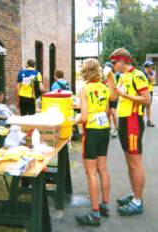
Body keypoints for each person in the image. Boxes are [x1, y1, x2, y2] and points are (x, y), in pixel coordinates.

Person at [108, 48, 150, 216]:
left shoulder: (137, 75)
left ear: (123, 60)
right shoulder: (122, 76)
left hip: (133, 120)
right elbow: (113, 98)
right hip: (124, 121)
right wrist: (111, 84)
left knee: (135, 162)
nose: (112, 65)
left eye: (114, 62)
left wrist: (124, 95)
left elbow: (146, 99)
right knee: (129, 160)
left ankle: (138, 201)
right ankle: (135, 194)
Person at [75, 59, 112, 226]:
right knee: (102, 169)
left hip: (91, 131)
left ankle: (95, 214)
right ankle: (105, 205)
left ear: (85, 72)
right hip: (104, 129)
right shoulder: (104, 88)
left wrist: (73, 120)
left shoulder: (84, 89)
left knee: (91, 173)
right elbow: (106, 111)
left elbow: (83, 117)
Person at [103, 62, 119, 137]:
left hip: (113, 96)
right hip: (106, 96)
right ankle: (108, 128)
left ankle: (116, 128)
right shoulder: (103, 76)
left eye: (108, 68)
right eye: (105, 68)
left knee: (113, 111)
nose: (106, 69)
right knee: (108, 112)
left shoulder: (114, 75)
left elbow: (116, 86)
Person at [142, 60, 155, 127]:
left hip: (150, 91)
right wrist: (150, 77)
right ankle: (142, 122)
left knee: (148, 106)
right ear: (146, 67)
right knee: (142, 107)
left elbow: (152, 81)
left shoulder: (151, 73)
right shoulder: (143, 74)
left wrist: (151, 76)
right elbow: (149, 80)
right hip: (144, 92)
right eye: (150, 67)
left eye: (152, 67)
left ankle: (149, 121)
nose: (151, 68)